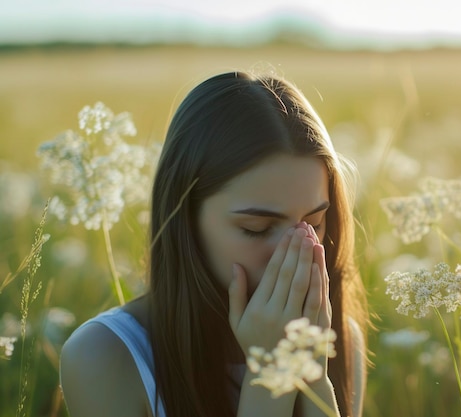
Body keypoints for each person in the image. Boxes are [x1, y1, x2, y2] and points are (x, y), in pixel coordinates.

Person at [60, 70, 369, 417]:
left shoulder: (339, 336)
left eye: (313, 222)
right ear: (186, 221)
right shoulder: (106, 355)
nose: (295, 251)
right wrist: (272, 376)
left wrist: (313, 378)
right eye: (257, 227)